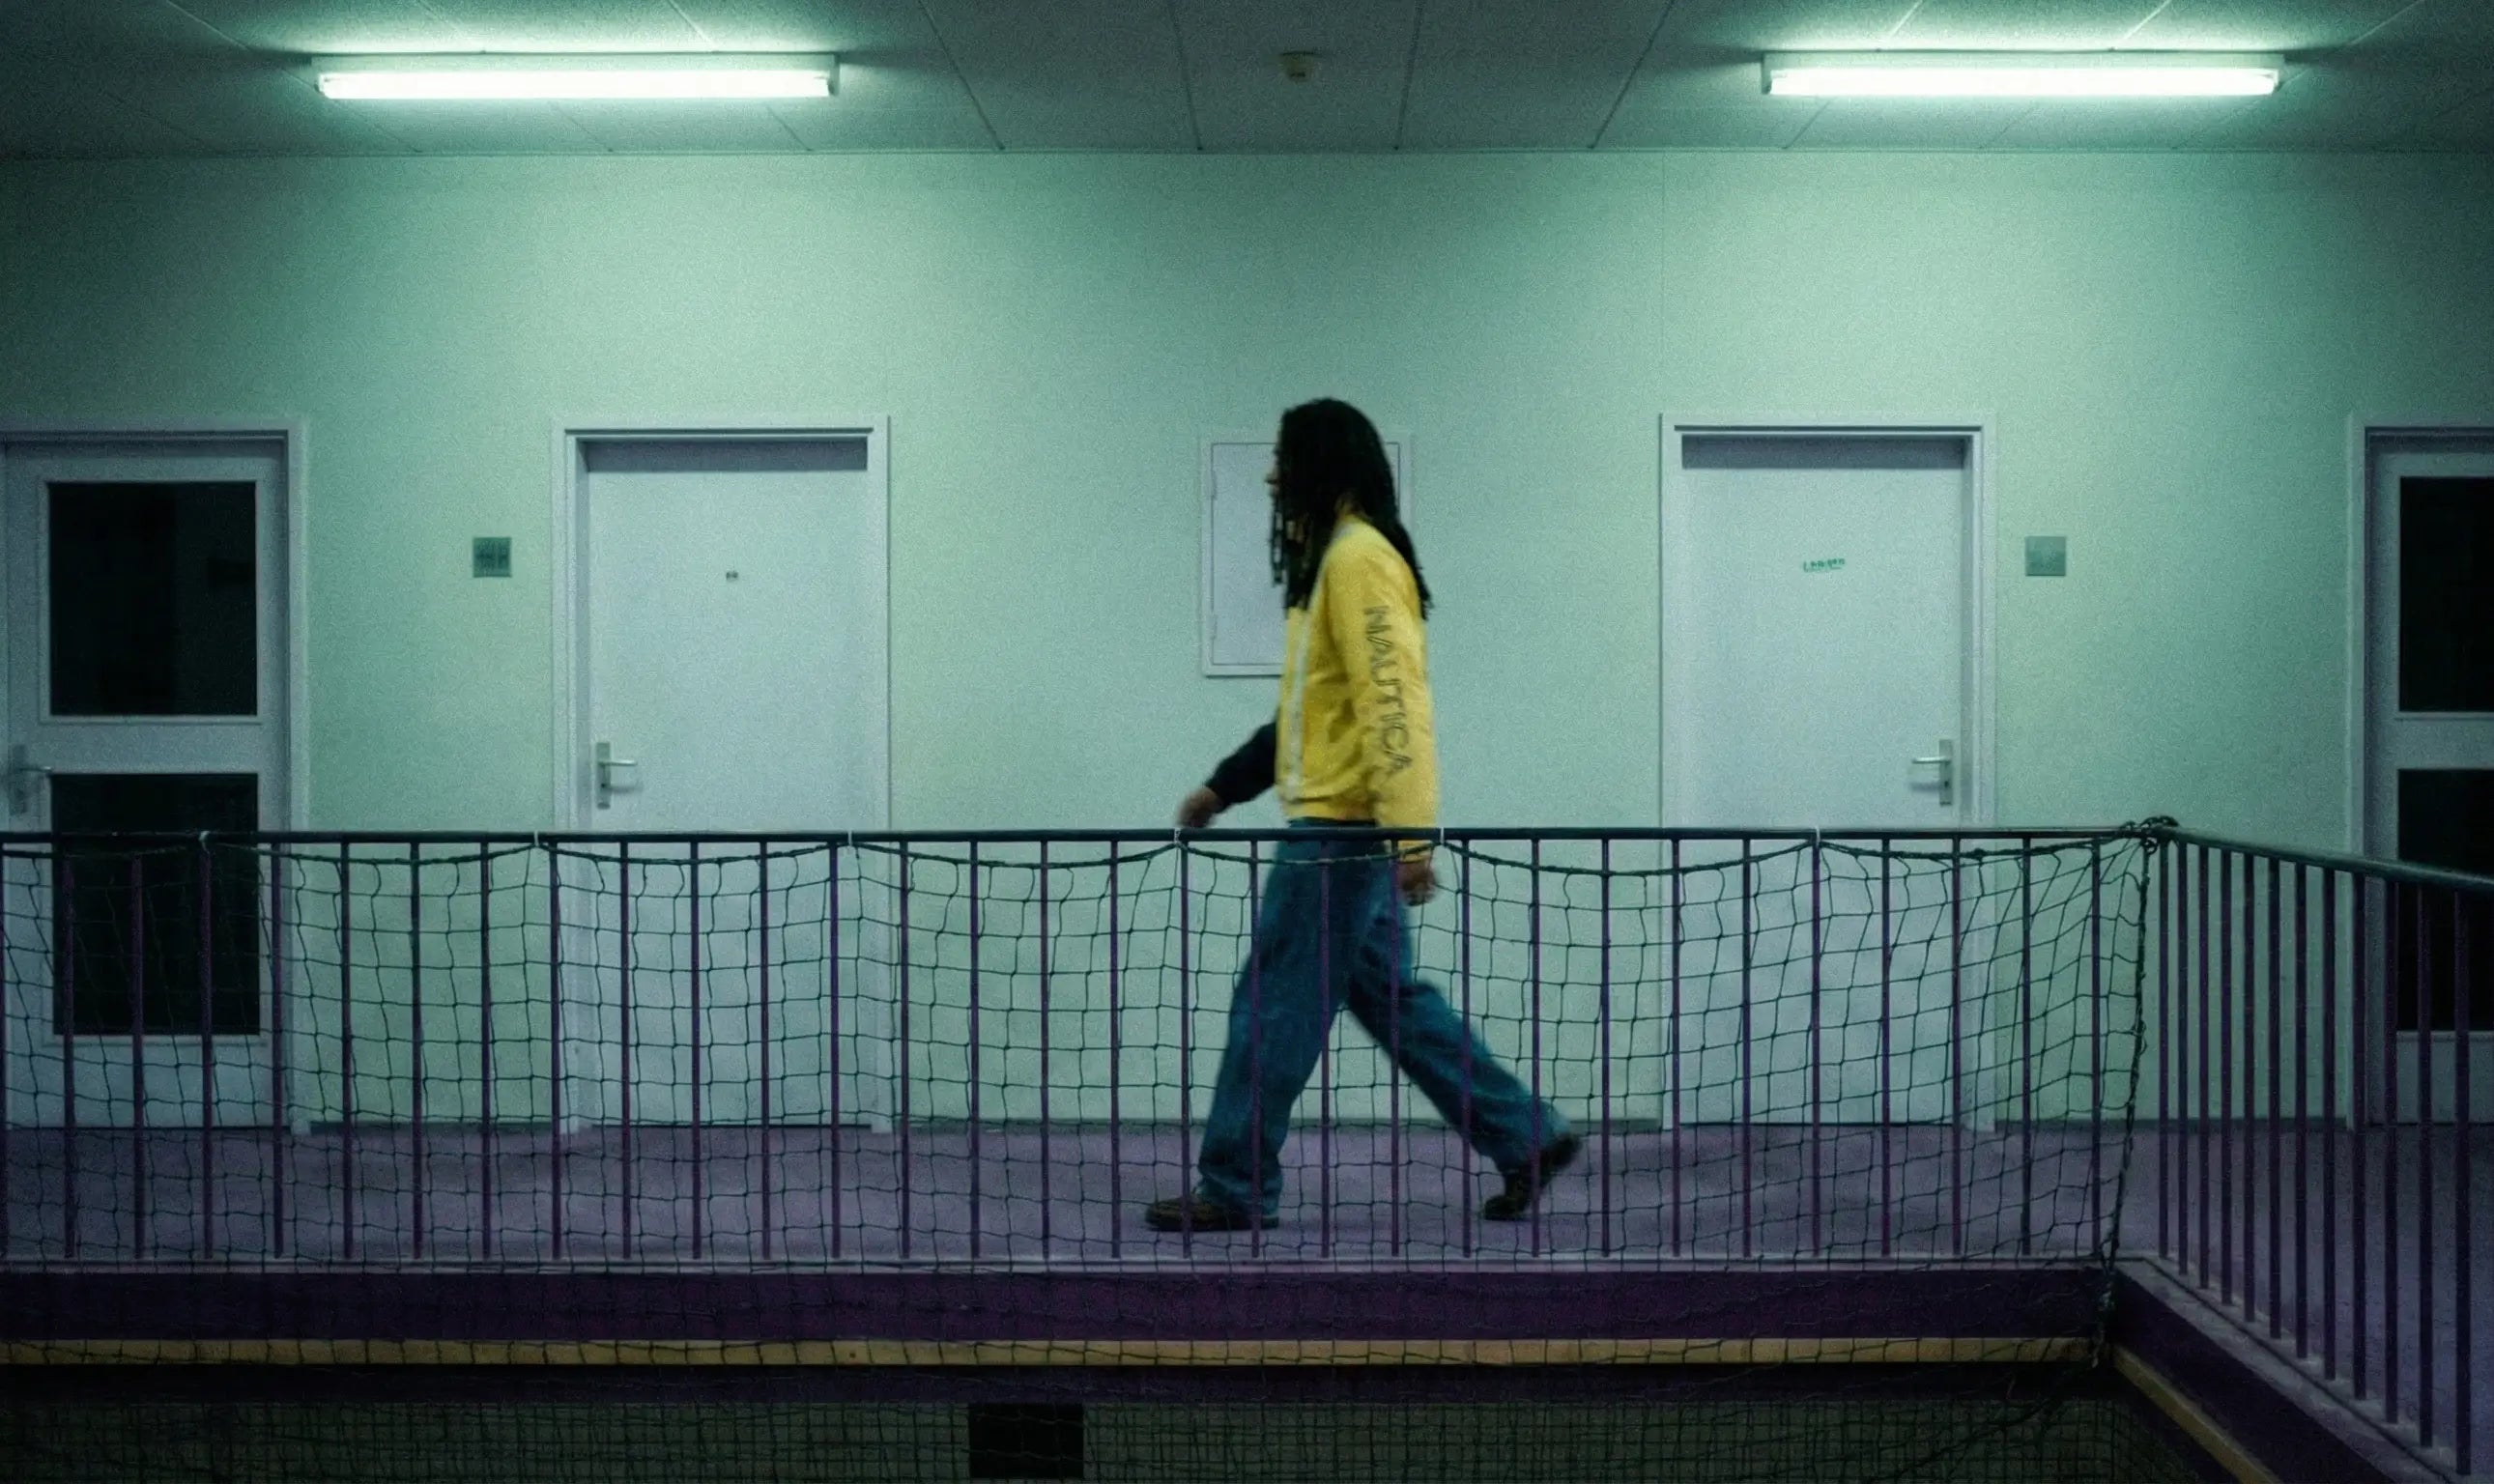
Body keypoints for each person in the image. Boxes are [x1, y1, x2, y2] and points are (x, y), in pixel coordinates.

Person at [1146, 398, 1578, 1233]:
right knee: (1391, 1000)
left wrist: (1412, 839)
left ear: (1321, 465)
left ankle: (1233, 1187)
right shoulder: (1326, 569)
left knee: (1270, 1004)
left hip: (1340, 838)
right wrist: (1224, 787)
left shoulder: (1358, 561)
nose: (1271, 475)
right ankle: (1523, 1134)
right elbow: (1313, 717)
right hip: (1348, 830)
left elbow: (1395, 709)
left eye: (1283, 458)